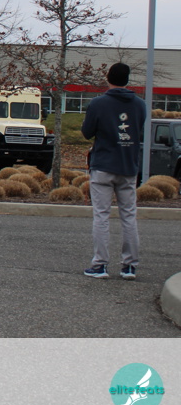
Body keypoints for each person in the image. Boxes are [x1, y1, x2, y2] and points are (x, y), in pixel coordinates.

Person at [81, 63, 145, 280]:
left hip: (103, 165)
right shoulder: (140, 105)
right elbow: (138, 130)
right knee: (129, 216)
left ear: (108, 78)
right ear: (127, 79)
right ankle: (129, 266)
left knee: (101, 215)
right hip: (128, 166)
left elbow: (87, 132)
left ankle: (100, 265)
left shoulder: (98, 103)